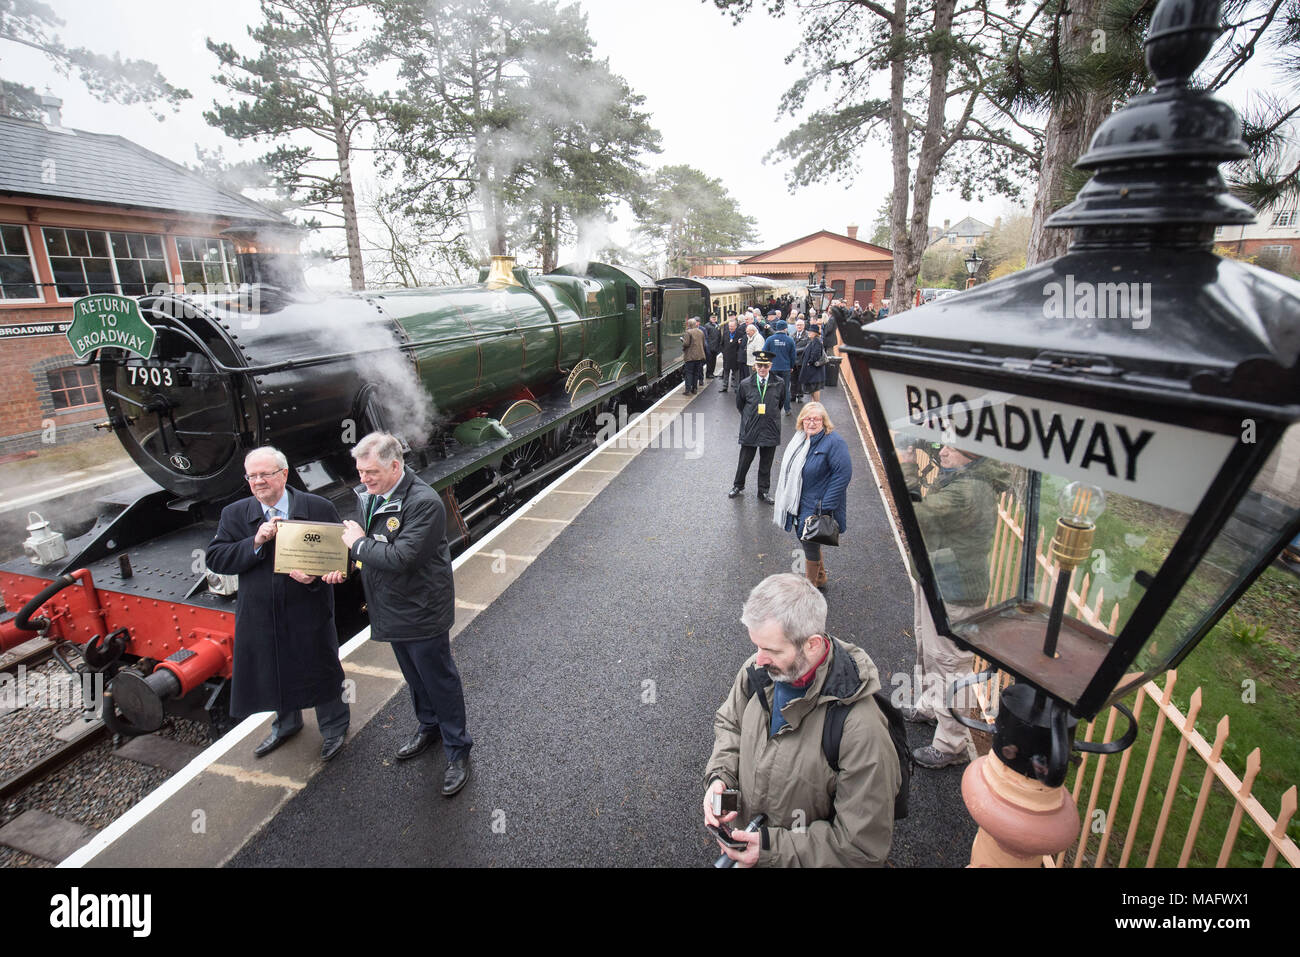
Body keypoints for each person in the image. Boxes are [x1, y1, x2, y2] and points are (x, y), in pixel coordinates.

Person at [702, 573, 900, 867]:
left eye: (771, 649)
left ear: (812, 644)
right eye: (757, 646)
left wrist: (771, 851)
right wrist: (721, 778)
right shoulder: (757, 673)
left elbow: (861, 848)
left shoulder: (861, 729)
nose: (758, 659)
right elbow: (730, 725)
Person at [340, 431, 473, 795]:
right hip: (391, 607)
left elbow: (401, 558)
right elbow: (368, 551)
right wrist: (347, 561)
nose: (363, 479)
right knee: (414, 676)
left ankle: (458, 750)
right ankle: (428, 727)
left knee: (438, 679)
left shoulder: (423, 502)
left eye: (370, 472)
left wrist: (357, 546)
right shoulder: (370, 497)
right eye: (360, 471)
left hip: (422, 608)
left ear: (395, 465)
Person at [205, 447, 350, 761]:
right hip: (260, 613)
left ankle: (334, 727)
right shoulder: (235, 514)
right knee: (273, 668)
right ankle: (286, 723)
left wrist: (315, 576)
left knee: (320, 666)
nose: (258, 481)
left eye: (265, 474)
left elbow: (343, 557)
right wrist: (254, 542)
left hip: (307, 608)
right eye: (252, 476)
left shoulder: (318, 506)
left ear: (283, 474)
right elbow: (216, 558)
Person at [897, 441, 1008, 770]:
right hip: (938, 580)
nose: (943, 452)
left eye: (953, 448)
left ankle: (951, 743)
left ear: (973, 454)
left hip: (953, 591)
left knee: (948, 663)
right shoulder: (962, 480)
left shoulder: (968, 491)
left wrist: (905, 464)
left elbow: (916, 515)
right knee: (930, 650)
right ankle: (932, 706)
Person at [772, 402, 851, 592]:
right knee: (806, 538)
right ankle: (821, 576)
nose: (812, 422)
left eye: (817, 419)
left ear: (824, 421)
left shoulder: (834, 442)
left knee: (808, 542)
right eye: (808, 418)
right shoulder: (800, 439)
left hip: (817, 503)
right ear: (801, 421)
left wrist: (826, 505)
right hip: (800, 499)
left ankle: (810, 587)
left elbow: (843, 475)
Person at [729, 351, 784, 504]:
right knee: (744, 461)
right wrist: (750, 418)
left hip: (770, 428)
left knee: (766, 463)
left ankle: (763, 491)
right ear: (755, 366)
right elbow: (740, 405)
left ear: (770, 366)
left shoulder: (779, 383)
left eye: (765, 366)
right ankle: (738, 486)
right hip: (751, 428)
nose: (762, 368)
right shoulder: (745, 384)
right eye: (759, 365)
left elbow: (779, 404)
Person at [762, 317, 797, 415]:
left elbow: (764, 352)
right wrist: (791, 366)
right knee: (785, 388)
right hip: (785, 368)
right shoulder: (790, 340)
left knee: (772, 388)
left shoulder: (770, 339)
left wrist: (768, 364)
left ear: (777, 328)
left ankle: (772, 408)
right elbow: (793, 355)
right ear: (785, 328)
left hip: (772, 368)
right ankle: (787, 409)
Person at [798, 323, 828, 403]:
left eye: (811, 332)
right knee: (813, 389)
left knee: (815, 388)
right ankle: (813, 404)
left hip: (814, 370)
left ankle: (816, 405)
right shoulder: (814, 340)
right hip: (813, 370)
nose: (809, 333)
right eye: (809, 331)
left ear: (815, 333)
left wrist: (810, 362)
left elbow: (815, 354)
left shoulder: (816, 341)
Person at [718, 317, 746, 393]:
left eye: (732, 326)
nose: (731, 328)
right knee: (726, 372)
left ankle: (737, 387)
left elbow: (742, 346)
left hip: (735, 357)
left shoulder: (740, 334)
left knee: (736, 373)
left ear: (736, 326)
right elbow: (722, 344)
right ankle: (724, 386)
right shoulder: (726, 333)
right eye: (730, 326)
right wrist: (723, 352)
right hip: (727, 356)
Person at [681, 317, 706, 395]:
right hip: (699, 356)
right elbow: (703, 343)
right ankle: (694, 388)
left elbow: (686, 344)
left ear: (689, 324)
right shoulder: (701, 332)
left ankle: (687, 389)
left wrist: (683, 342)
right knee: (696, 372)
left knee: (689, 373)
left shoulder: (688, 332)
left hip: (690, 356)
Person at [790, 318, 808, 403]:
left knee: (801, 379)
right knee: (793, 379)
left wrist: (795, 350)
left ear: (804, 326)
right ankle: (792, 395)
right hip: (793, 361)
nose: (799, 326)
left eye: (801, 325)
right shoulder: (792, 335)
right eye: (797, 325)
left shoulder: (807, 335)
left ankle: (800, 395)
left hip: (802, 360)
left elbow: (807, 347)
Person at [702, 314, 721, 380]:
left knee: (714, 361)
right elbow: (705, 337)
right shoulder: (707, 326)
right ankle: (708, 373)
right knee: (709, 361)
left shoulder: (717, 325)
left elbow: (719, 335)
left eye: (715, 317)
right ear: (710, 318)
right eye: (712, 318)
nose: (714, 319)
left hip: (715, 346)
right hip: (709, 347)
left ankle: (712, 373)